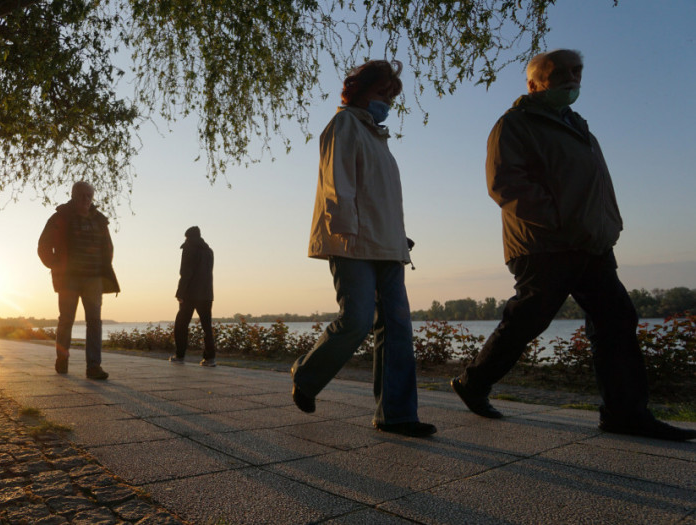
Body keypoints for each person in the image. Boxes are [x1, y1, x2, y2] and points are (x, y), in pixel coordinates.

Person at [451, 49, 695, 442]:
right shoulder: (515, 124)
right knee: (530, 319)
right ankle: (474, 381)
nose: (571, 79)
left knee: (616, 318)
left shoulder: (580, 127)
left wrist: (609, 225)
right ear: (533, 84)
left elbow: (598, 186)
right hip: (544, 244)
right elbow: (506, 184)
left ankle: (625, 413)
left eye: (576, 71)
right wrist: (563, 221)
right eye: (559, 72)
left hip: (592, 244)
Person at [290, 60, 436, 438]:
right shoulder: (344, 125)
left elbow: (384, 199)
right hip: (350, 240)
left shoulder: (379, 138)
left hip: (387, 245)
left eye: (391, 95)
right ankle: (306, 374)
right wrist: (344, 229)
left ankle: (397, 414)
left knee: (398, 328)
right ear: (360, 89)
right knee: (356, 319)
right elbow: (338, 184)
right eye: (382, 92)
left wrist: (398, 235)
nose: (387, 100)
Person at [38, 181, 120, 379]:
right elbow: (43, 246)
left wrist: (102, 268)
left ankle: (94, 367)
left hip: (93, 279)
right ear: (73, 195)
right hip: (68, 279)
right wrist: (55, 264)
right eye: (82, 195)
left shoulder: (100, 221)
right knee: (66, 320)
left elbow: (108, 248)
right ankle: (62, 359)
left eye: (89, 196)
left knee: (94, 322)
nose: (85, 199)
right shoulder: (60, 218)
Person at [169, 226, 217, 367]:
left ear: (188, 237)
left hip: (190, 293)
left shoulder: (189, 248)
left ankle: (180, 355)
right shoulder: (209, 251)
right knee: (207, 327)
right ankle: (210, 358)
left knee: (181, 325)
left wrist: (180, 293)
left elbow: (185, 272)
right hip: (207, 294)